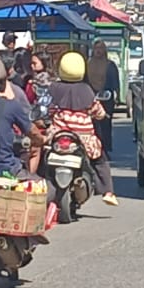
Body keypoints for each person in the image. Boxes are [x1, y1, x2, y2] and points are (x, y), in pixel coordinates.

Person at [49, 51, 114, 201]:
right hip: (83, 138)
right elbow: (97, 111)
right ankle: (107, 192)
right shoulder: (86, 90)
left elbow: (49, 109)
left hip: (57, 134)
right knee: (100, 160)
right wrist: (102, 114)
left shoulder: (54, 88)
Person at [85, 40, 120, 169]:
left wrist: (116, 96)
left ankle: (104, 150)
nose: (98, 51)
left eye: (101, 48)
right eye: (96, 48)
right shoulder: (88, 64)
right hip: (90, 98)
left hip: (106, 99)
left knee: (105, 125)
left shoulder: (110, 65)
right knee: (92, 126)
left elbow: (115, 83)